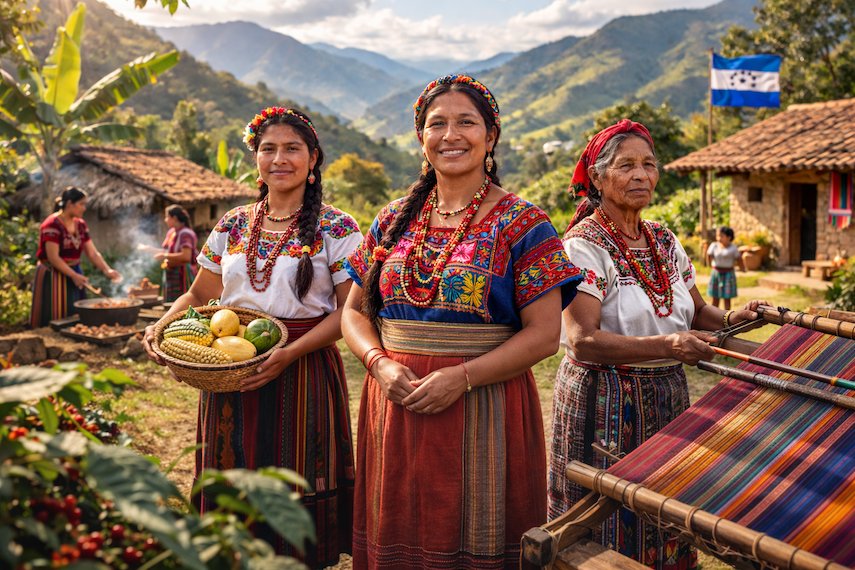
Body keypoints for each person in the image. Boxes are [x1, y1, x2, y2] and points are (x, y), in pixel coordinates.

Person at [341, 74, 583, 569]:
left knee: (479, 534)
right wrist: (379, 364)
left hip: (485, 407)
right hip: (396, 402)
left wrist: (463, 376)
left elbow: (544, 334)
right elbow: (352, 312)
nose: (451, 135)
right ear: (420, 138)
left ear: (491, 137)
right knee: (400, 529)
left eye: (466, 122)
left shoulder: (523, 222)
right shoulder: (391, 220)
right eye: (437, 124)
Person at [142, 106, 361, 568]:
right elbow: (201, 293)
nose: (279, 159)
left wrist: (289, 352)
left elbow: (349, 311)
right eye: (268, 149)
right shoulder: (232, 223)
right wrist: (161, 326)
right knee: (230, 472)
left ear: (313, 158)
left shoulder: (338, 228)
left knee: (296, 477)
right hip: (227, 366)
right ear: (255, 158)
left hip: (302, 369)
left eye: (292, 149)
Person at [548, 119, 768, 569]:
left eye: (649, 164)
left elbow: (700, 313)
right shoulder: (581, 246)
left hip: (667, 396)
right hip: (604, 401)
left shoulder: (664, 241)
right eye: (626, 165)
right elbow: (584, 341)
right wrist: (669, 345)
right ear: (597, 177)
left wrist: (736, 318)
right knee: (606, 519)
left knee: (664, 511)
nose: (641, 175)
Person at [30, 186, 122, 327]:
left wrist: (107, 270)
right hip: (53, 274)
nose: (84, 208)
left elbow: (92, 252)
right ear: (69, 204)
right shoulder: (52, 224)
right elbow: (53, 257)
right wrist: (73, 275)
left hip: (74, 271)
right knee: (54, 315)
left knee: (75, 315)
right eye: (81, 204)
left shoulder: (80, 225)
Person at [155, 205, 198, 302]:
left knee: (182, 305)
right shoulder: (171, 232)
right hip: (172, 274)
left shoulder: (185, 234)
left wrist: (164, 256)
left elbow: (186, 256)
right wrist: (148, 249)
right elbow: (166, 251)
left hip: (182, 276)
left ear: (174, 218)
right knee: (170, 305)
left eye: (167, 217)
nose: (165, 220)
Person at [705, 225, 744, 309]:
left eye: (721, 236)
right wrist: (709, 264)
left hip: (728, 274)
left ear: (729, 237)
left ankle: (726, 317)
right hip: (716, 273)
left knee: (727, 298)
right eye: (718, 236)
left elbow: (739, 258)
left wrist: (742, 268)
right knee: (715, 297)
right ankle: (714, 316)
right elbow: (708, 254)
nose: (718, 238)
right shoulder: (714, 245)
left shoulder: (733, 248)